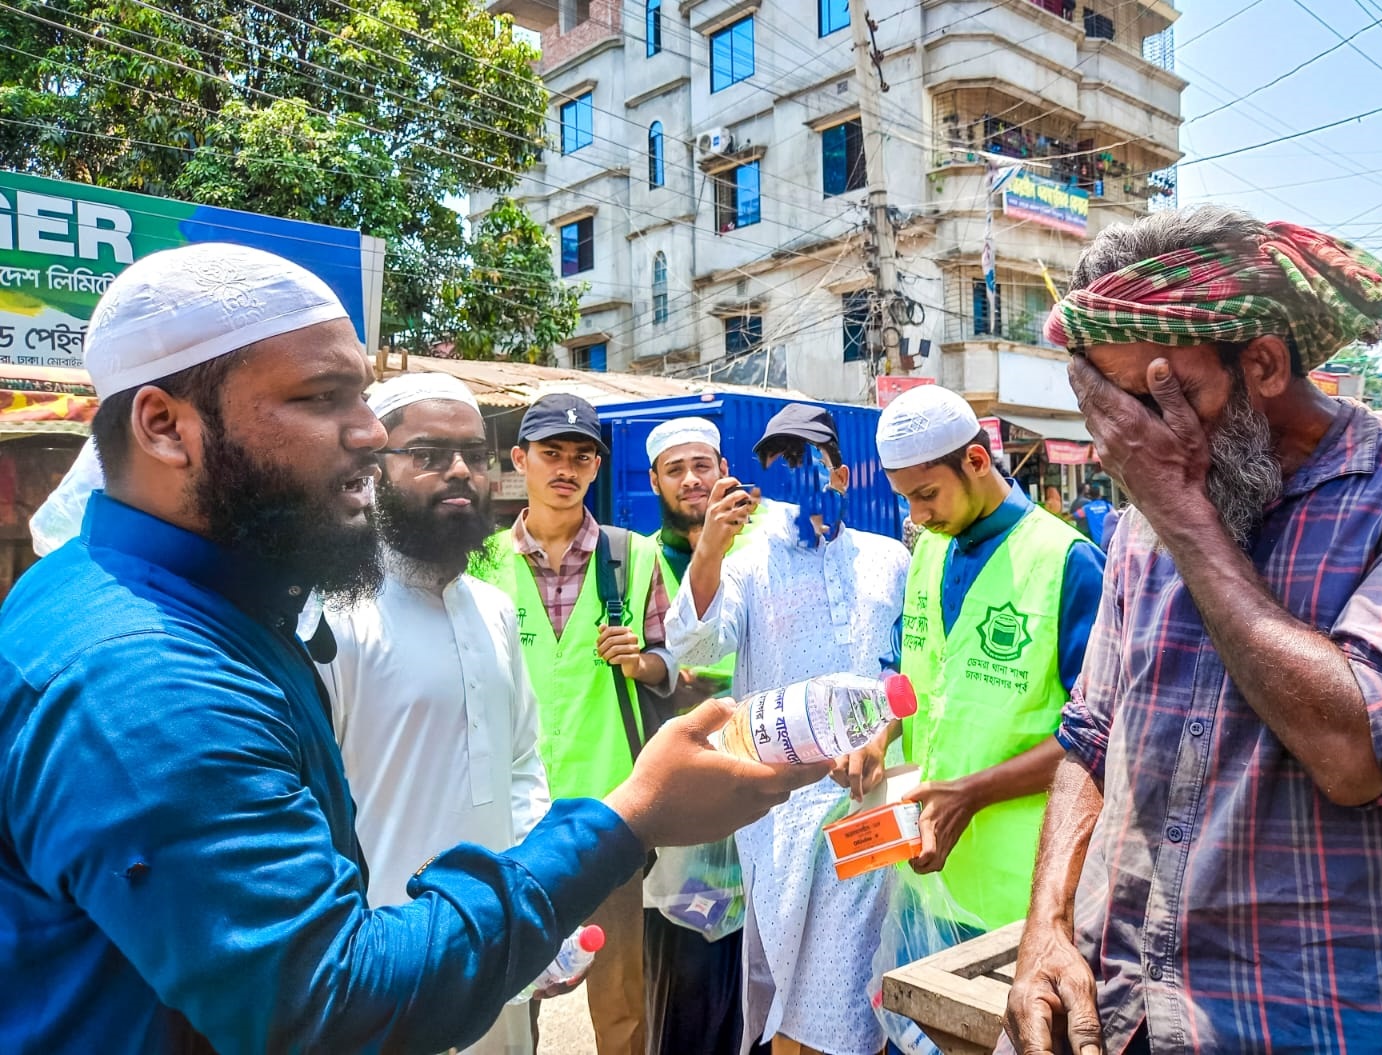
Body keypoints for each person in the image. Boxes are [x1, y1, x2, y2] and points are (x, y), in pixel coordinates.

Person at [0, 243, 824, 1054]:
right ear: (163, 425)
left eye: (361, 396)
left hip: (453, 958)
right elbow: (330, 1002)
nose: (367, 433)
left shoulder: (231, 605)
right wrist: (632, 815)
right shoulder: (146, 673)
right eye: (324, 397)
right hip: (405, 976)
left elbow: (516, 769)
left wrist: (530, 903)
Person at [1005, 206, 1382, 1055]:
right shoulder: (1149, 516)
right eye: (1108, 409)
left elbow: (1357, 750)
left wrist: (1182, 512)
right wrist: (1045, 927)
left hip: (1332, 1022)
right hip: (1117, 1008)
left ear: (1262, 361)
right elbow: (1092, 733)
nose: (1127, 443)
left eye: (1155, 398)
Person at [317, 372, 553, 1055]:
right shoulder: (336, 615)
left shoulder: (493, 608)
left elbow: (520, 762)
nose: (460, 471)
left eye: (474, 455)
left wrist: (535, 903)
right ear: (372, 469)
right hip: (382, 976)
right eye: (427, 454)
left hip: (496, 951)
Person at [667, 403, 910, 1055]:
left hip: (870, 808)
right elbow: (693, 645)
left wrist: (882, 740)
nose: (794, 476)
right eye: (779, 465)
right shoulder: (748, 566)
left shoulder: (890, 561)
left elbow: (908, 668)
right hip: (781, 821)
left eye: (807, 460)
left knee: (865, 992)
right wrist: (711, 548)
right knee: (793, 999)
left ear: (841, 473)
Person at [472, 392, 677, 1055]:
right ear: (519, 459)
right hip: (509, 815)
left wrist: (645, 662)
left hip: (607, 809)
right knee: (508, 996)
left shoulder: (634, 556)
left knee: (618, 999)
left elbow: (678, 664)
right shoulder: (479, 563)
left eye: (581, 456)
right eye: (551, 454)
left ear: (596, 467)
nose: (566, 468)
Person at [873, 384, 1104, 932]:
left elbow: (1102, 737)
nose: (918, 514)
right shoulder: (928, 548)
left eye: (927, 494)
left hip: (1025, 898)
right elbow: (905, 666)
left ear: (976, 460)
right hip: (929, 881)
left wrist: (971, 795)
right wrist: (875, 733)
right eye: (906, 498)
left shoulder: (1068, 561)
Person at [639, 416, 758, 1055]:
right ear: (654, 479)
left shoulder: (763, 541)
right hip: (677, 794)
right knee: (685, 965)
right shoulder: (637, 559)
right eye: (676, 469)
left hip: (765, 777)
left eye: (702, 465)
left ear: (721, 468)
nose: (691, 480)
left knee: (757, 961)